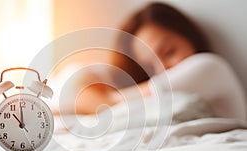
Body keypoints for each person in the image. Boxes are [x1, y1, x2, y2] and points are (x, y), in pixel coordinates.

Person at [61, 2, 246, 121]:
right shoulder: (156, 98)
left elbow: (106, 103)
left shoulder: (210, 67)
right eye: (148, 67)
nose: (162, 69)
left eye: (168, 52)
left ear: (190, 38)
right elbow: (76, 80)